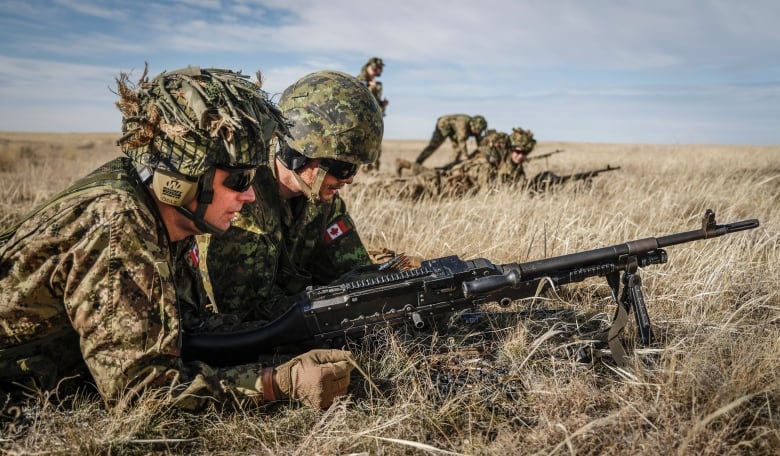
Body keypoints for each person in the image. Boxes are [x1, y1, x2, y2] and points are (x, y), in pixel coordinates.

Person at [0, 65, 355, 411]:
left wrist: (296, 335)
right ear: (182, 180)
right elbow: (140, 391)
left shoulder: (170, 221)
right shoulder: (119, 223)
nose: (249, 197)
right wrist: (274, 383)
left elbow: (188, 330)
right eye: (238, 181)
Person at [194, 70, 384, 329]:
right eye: (344, 168)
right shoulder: (242, 203)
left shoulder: (323, 203)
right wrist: (334, 299)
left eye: (354, 169)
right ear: (299, 152)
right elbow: (248, 315)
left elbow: (355, 271)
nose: (349, 179)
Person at [414, 114, 487, 166]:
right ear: (472, 124)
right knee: (433, 145)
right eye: (475, 129)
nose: (476, 132)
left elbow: (480, 143)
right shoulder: (463, 123)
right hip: (443, 125)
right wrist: (466, 156)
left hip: (454, 132)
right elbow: (462, 141)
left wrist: (483, 152)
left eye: (479, 130)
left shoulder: (477, 129)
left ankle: (451, 166)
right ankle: (418, 163)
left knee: (457, 150)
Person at [357, 57, 388, 172]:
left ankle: (374, 170)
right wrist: (370, 88)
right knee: (363, 145)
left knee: (376, 146)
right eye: (376, 68)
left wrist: (382, 104)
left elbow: (375, 102)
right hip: (361, 119)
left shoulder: (378, 84)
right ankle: (363, 170)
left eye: (379, 68)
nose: (377, 71)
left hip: (375, 119)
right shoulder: (358, 81)